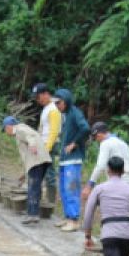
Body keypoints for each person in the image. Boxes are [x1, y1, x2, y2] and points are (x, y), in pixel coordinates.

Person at [3, 115, 51, 225]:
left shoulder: (19, 129)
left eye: (5, 130)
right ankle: (34, 212)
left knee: (32, 187)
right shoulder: (23, 128)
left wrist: (33, 145)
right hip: (43, 160)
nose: (6, 133)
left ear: (8, 127)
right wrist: (24, 173)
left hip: (36, 161)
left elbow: (31, 136)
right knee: (36, 186)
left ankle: (32, 214)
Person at [53, 88, 89, 232]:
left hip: (73, 160)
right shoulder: (65, 115)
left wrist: (75, 143)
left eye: (59, 103)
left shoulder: (75, 113)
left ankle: (74, 220)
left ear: (66, 101)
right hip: (64, 159)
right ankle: (67, 217)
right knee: (63, 189)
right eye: (56, 103)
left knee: (71, 189)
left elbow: (85, 128)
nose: (57, 106)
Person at [31, 83, 64, 210]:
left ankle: (50, 203)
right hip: (44, 144)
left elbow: (54, 131)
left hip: (50, 145)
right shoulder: (46, 108)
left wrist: (47, 147)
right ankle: (41, 200)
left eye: (38, 97)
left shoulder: (53, 110)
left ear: (46, 94)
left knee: (49, 174)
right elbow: (42, 129)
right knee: (41, 173)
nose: (37, 100)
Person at [84, 122, 129, 194]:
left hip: (120, 182)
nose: (96, 140)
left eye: (95, 138)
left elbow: (100, 166)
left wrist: (90, 184)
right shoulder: (122, 142)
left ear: (99, 135)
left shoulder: (105, 143)